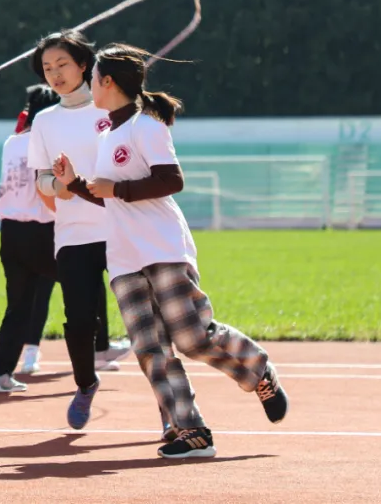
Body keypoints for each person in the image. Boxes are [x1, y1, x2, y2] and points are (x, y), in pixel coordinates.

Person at [53, 43, 289, 460]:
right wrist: (75, 185)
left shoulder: (148, 126)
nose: (89, 86)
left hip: (162, 246)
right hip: (124, 257)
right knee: (151, 349)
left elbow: (171, 180)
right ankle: (191, 430)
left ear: (108, 83)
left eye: (93, 79)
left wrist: (117, 189)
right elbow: (108, 197)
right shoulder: (106, 133)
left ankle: (257, 368)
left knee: (193, 337)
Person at [26, 29, 130, 430]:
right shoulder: (45, 121)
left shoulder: (112, 110)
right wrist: (62, 186)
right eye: (47, 68)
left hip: (122, 229)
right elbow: (40, 180)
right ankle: (85, 384)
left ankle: (169, 404)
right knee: (79, 319)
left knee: (144, 318)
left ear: (84, 64)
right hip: (72, 235)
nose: (55, 74)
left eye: (62, 65)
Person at [0, 84, 59, 393]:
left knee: (19, 306)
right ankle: (97, 353)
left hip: (11, 231)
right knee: (88, 286)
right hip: (44, 229)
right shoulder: (48, 142)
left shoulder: (11, 142)